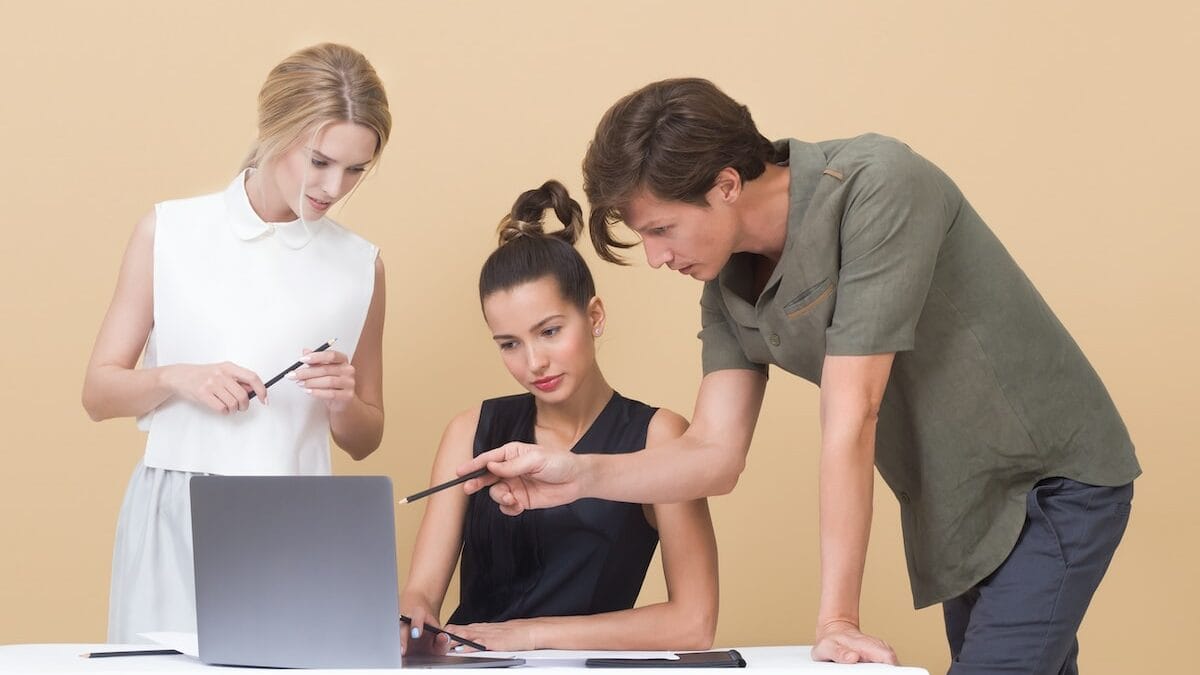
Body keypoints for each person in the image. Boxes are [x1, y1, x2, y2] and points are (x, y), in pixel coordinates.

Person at [461, 79, 1140, 673]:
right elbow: (713, 454)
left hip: (1049, 481)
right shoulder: (726, 277)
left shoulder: (878, 185)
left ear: (726, 184)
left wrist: (835, 619)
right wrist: (575, 475)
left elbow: (853, 415)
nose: (658, 257)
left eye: (663, 229)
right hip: (957, 508)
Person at [81, 43, 392, 643]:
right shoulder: (170, 231)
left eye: (356, 169)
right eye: (321, 161)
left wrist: (341, 399)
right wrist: (176, 377)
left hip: (298, 519)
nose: (335, 187)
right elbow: (98, 394)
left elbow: (365, 439)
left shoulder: (362, 266)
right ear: (276, 131)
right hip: (175, 508)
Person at [400, 181, 718, 655]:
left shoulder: (659, 437)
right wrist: (412, 620)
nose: (534, 363)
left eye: (549, 331)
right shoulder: (470, 432)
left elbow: (693, 623)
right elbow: (421, 594)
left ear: (594, 316)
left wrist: (528, 636)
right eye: (509, 344)